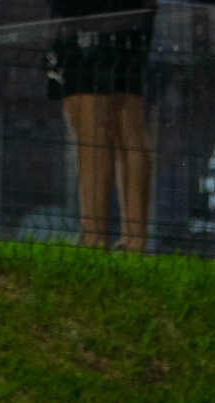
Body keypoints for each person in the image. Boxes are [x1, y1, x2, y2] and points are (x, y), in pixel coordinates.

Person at [46, 0, 155, 252]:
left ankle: (94, 239)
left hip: (89, 17)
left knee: (91, 117)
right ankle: (133, 241)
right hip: (128, 17)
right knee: (125, 116)